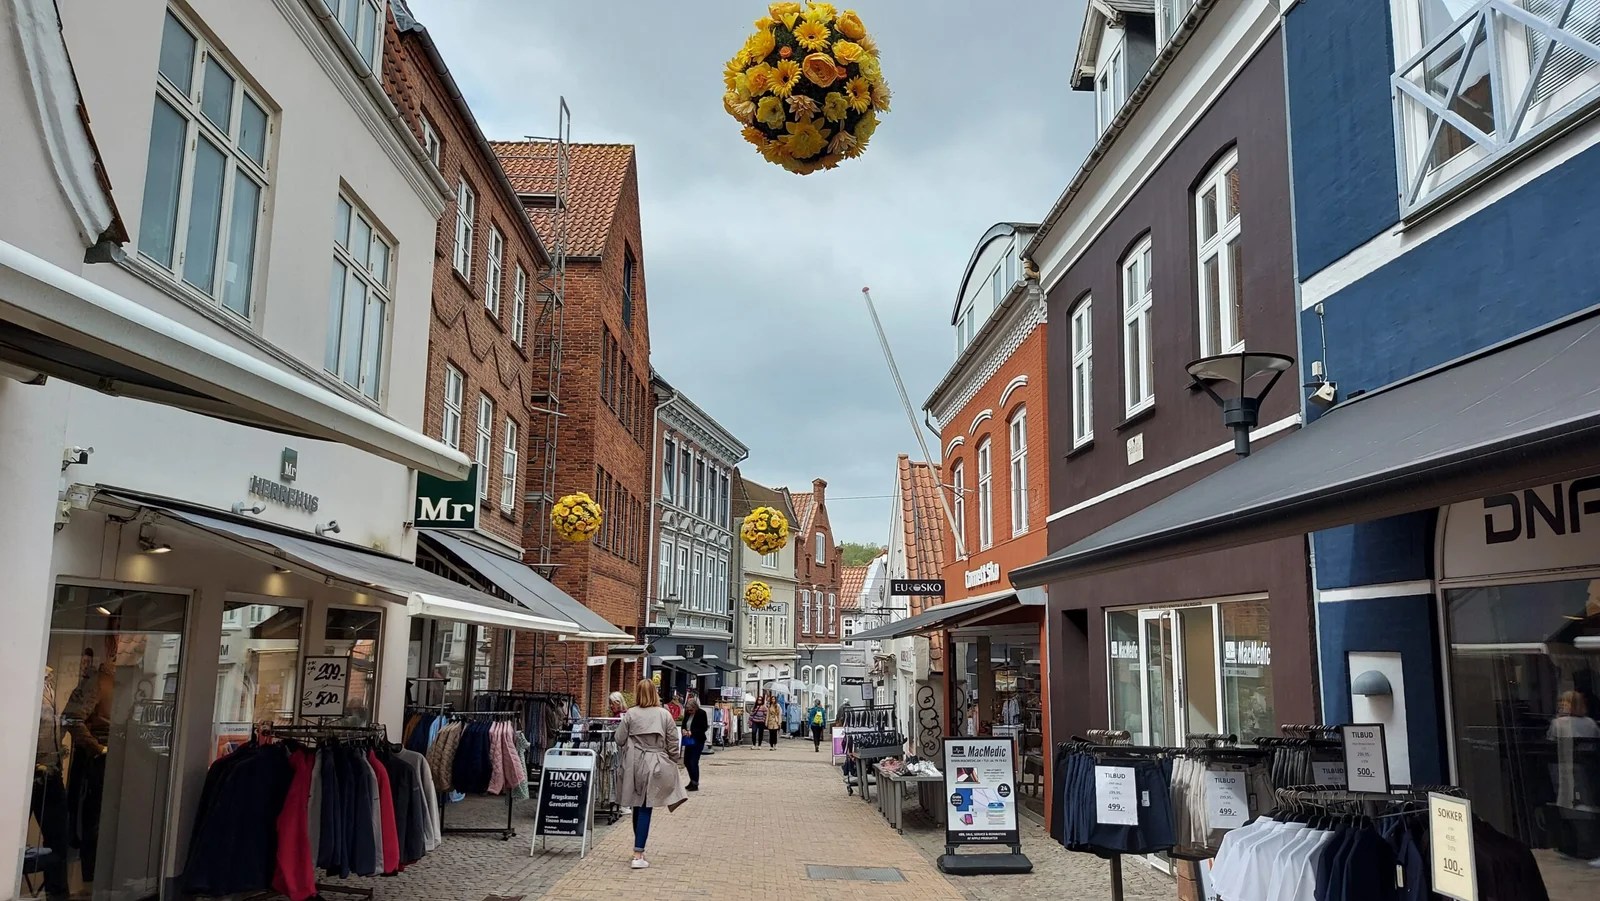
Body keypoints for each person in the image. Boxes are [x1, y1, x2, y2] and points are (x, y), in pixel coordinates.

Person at [615, 679, 687, 869]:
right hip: (655, 761)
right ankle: (638, 854)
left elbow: (619, 739)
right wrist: (672, 760)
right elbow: (673, 742)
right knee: (646, 806)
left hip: (633, 762)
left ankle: (638, 848)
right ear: (655, 693)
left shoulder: (631, 714)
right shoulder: (664, 715)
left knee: (637, 805)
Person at [681, 692, 708, 791]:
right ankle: (692, 780)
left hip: (697, 740)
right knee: (686, 761)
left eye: (691, 710)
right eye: (688, 710)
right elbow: (684, 724)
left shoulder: (701, 713)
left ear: (695, 707)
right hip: (688, 740)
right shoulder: (687, 714)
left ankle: (695, 782)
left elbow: (704, 727)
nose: (690, 711)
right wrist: (684, 730)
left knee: (693, 761)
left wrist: (692, 732)